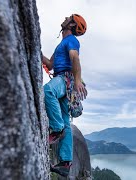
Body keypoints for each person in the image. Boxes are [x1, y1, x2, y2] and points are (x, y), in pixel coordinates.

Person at [42, 14, 87, 177]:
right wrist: (36, 51)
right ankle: (65, 163)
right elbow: (50, 64)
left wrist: (77, 81)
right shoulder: (62, 44)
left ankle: (56, 128)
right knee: (65, 120)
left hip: (64, 78)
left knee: (48, 91)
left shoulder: (72, 41)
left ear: (72, 24)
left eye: (69, 18)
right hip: (62, 78)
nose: (66, 17)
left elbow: (75, 58)